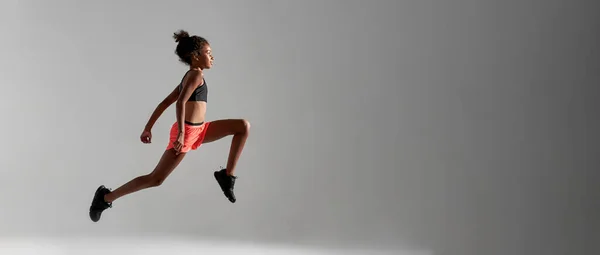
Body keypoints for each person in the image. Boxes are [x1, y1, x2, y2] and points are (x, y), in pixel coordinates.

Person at [88, 30, 251, 222]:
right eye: (208, 52)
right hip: (188, 132)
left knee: (242, 126)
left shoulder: (191, 76)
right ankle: (105, 197)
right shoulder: (195, 76)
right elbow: (179, 103)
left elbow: (165, 102)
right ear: (195, 56)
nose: (212, 57)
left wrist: (148, 127)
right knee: (156, 179)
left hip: (200, 130)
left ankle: (227, 176)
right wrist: (181, 133)